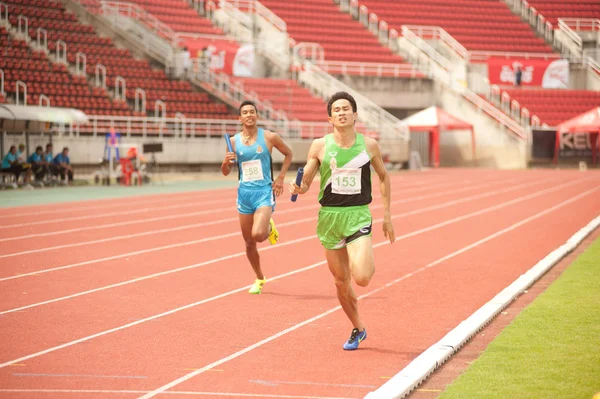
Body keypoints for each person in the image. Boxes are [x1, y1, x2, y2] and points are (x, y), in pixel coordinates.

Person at [288, 91, 395, 350]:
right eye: (336, 109)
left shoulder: (368, 145)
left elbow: (383, 177)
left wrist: (387, 216)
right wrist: (298, 187)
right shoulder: (320, 146)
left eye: (346, 108)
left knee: (362, 278)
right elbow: (307, 181)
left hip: (358, 214)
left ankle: (362, 251)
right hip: (329, 218)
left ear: (355, 114)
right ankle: (358, 328)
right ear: (330, 118)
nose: (342, 112)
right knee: (340, 281)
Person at [222, 100, 294, 294]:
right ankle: (259, 278)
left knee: (258, 234)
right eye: (245, 112)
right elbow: (226, 172)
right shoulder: (234, 142)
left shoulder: (270, 137)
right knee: (248, 242)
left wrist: (280, 178)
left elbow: (289, 154)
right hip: (244, 194)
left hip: (264, 192)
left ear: (256, 115)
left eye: (252, 112)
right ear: (240, 118)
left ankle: (269, 227)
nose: (249, 115)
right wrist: (225, 162)